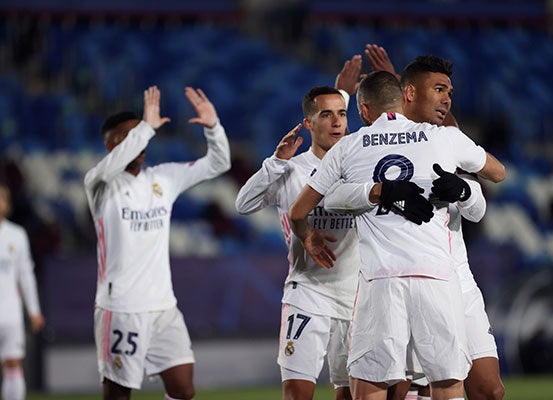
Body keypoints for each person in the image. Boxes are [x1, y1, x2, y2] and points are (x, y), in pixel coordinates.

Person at [288, 70, 505, 400]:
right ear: (405, 99)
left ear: (362, 111)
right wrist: (467, 188)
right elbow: (497, 174)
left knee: (371, 389)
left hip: (380, 281)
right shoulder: (442, 137)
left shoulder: (348, 146)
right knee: (446, 386)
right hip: (437, 278)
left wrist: (372, 193)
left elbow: (311, 207)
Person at [83, 86, 231, 400]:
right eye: (129, 135)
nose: (140, 140)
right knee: (118, 393)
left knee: (183, 389)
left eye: (140, 133)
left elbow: (218, 164)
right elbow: (112, 164)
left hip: (164, 306)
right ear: (110, 144)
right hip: (121, 307)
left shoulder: (163, 178)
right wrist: (146, 127)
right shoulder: (99, 184)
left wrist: (214, 128)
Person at [235, 86, 357, 400]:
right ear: (308, 123)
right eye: (326, 115)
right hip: (308, 293)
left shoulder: (359, 167)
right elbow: (243, 204)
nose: (336, 122)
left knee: (349, 394)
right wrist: (275, 162)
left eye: (342, 114)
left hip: (355, 297)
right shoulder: (292, 169)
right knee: (297, 394)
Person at [0, 183, 45, 400]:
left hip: (9, 312)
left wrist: (34, 310)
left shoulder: (16, 235)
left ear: (7, 205)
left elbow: (26, 275)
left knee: (13, 363)